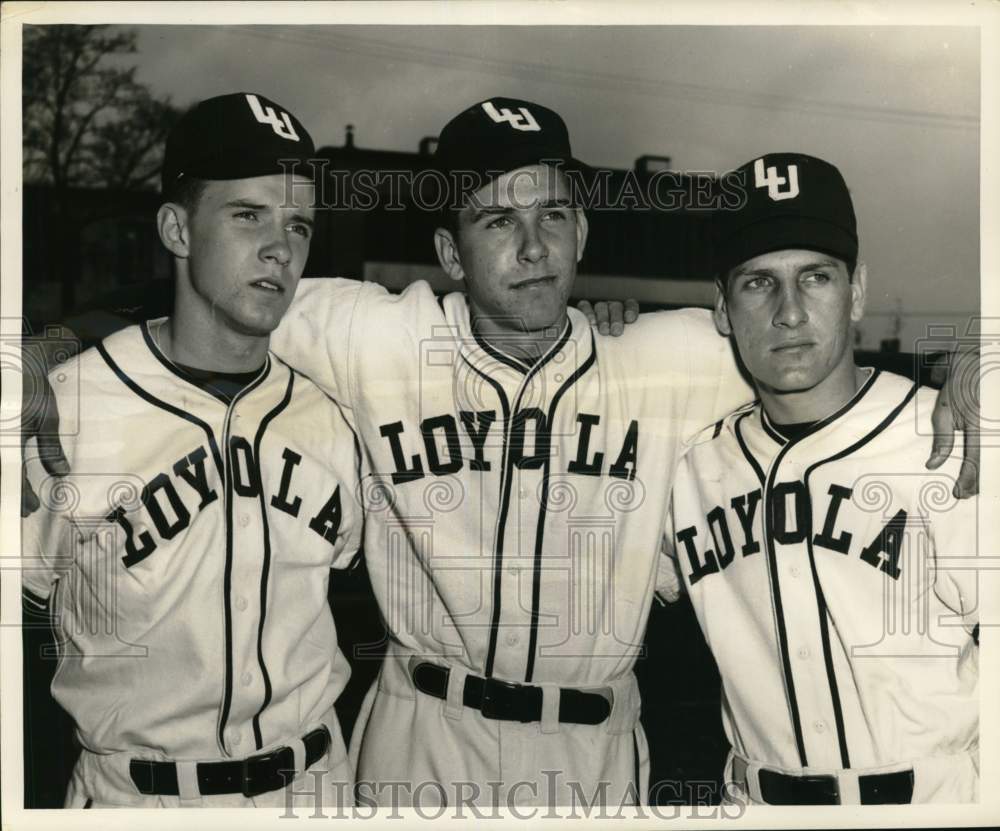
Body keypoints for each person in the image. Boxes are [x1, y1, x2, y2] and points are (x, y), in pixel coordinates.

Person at [21, 98, 979, 810]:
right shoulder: (371, 335)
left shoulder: (678, 354)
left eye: (554, 215)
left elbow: (820, 357)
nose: (532, 245)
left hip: (595, 751)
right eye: (496, 220)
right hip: (419, 738)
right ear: (449, 248)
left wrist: (970, 360)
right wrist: (42, 347)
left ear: (583, 231)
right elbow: (206, 316)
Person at [21, 92, 364, 808]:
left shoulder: (333, 412)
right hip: (137, 798)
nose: (281, 246)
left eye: (298, 224)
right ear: (177, 229)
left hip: (314, 790)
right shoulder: (65, 410)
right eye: (248, 215)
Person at [660, 152, 980, 804]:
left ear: (857, 289)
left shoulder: (949, 439)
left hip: (934, 802)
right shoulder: (688, 471)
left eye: (816, 277)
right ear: (721, 308)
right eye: (757, 283)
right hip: (753, 803)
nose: (790, 312)